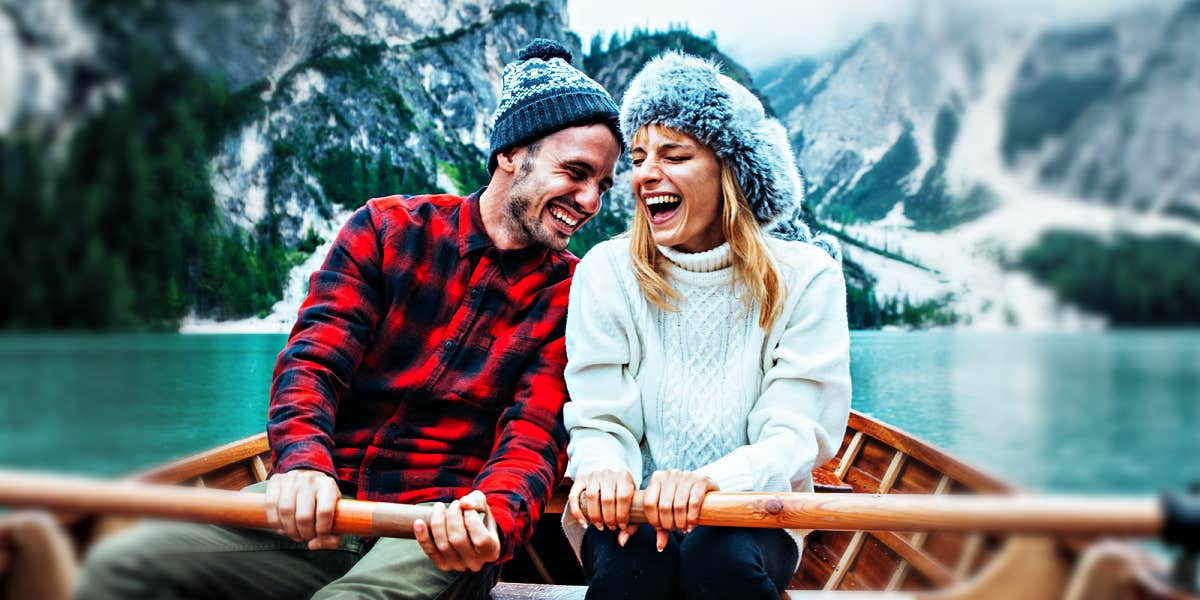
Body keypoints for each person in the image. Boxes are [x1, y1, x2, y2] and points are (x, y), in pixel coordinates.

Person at [74, 38, 622, 600]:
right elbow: (313, 364)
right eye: (575, 172)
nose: (589, 201)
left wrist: (492, 521)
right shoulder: (385, 231)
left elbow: (533, 435)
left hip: (439, 529)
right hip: (323, 506)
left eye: (602, 185)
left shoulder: (573, 292)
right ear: (511, 153)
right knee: (122, 564)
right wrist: (302, 465)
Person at [562, 51, 852, 600]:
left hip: (752, 506)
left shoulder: (807, 276)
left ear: (732, 173)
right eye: (641, 156)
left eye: (675, 155)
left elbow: (793, 432)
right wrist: (603, 470)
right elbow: (599, 417)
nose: (647, 173)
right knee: (631, 568)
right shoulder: (606, 270)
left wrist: (713, 483)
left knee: (718, 556)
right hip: (634, 506)